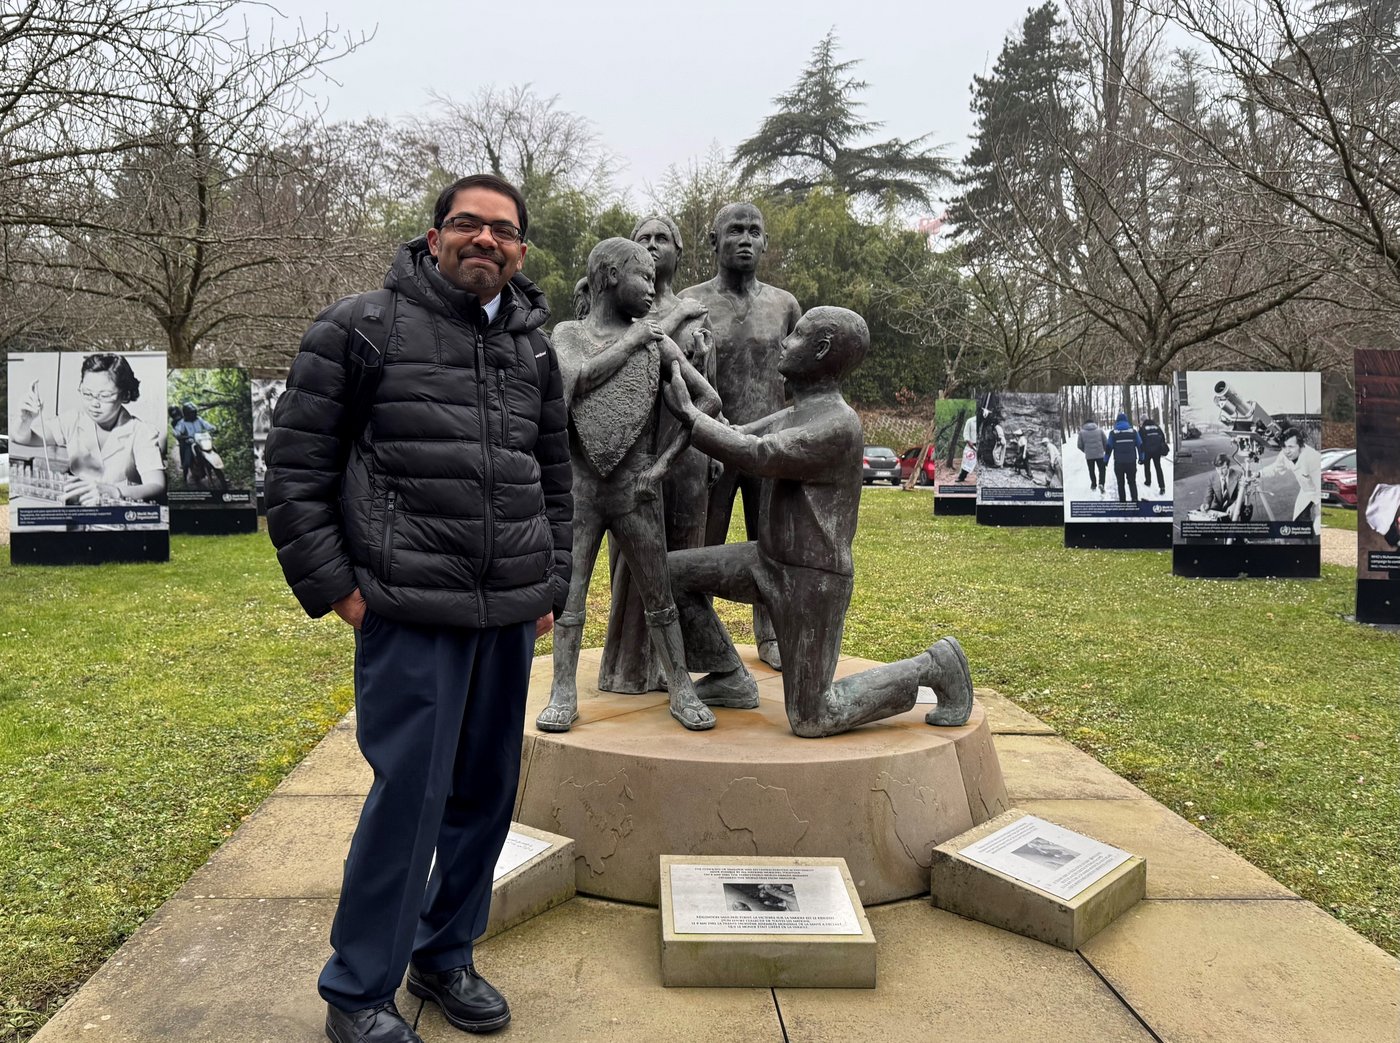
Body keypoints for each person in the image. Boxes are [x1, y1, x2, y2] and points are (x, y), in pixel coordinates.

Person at [265, 174, 572, 1043]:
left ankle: (445, 955)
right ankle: (359, 988)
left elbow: (556, 478)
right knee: (410, 798)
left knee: (486, 795)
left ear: (521, 250)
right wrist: (338, 588)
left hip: (507, 614)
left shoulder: (534, 351)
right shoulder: (360, 328)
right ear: (435, 236)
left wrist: (550, 582)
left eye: (503, 230)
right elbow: (293, 473)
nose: (486, 240)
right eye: (468, 223)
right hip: (408, 612)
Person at [661, 306, 973, 738]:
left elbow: (759, 454)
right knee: (670, 573)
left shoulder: (838, 425)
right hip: (766, 561)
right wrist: (688, 373)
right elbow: (737, 433)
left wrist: (690, 417)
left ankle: (934, 665)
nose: (784, 342)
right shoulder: (796, 412)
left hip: (813, 582)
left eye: (796, 335)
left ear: (821, 349)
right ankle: (729, 675)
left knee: (813, 716)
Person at [534, 237, 721, 734]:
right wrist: (634, 341)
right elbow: (575, 381)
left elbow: (707, 401)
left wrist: (661, 466)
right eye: (644, 277)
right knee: (571, 596)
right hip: (581, 490)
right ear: (612, 276)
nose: (653, 288)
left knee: (659, 594)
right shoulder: (570, 334)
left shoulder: (656, 341)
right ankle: (563, 691)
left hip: (636, 488)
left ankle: (680, 687)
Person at [597, 214, 717, 695]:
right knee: (633, 561)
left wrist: (716, 445)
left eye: (661, 238)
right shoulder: (623, 308)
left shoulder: (696, 312)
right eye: (642, 238)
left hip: (684, 446)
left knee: (682, 553)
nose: (651, 245)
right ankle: (630, 667)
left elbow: (711, 387)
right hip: (629, 452)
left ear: (678, 250)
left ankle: (682, 665)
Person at [680, 202, 801, 670]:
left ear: (766, 242)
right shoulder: (692, 304)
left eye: (754, 231)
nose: (745, 239)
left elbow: (801, 377)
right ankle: (700, 637)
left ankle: (770, 632)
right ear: (714, 241)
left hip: (769, 446)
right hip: (710, 445)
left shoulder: (784, 305)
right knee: (703, 547)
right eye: (735, 231)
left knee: (772, 543)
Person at [13, 353, 166, 507]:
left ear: (125, 394)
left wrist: (114, 491)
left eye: (104, 395)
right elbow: (22, 438)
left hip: (119, 513)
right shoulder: (73, 420)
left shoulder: (141, 432)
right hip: (78, 509)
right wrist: (24, 420)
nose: (94, 403)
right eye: (87, 393)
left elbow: (157, 486)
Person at [1258, 426, 1322, 531]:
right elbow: (1275, 468)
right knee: (1300, 522)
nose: (1287, 451)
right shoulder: (1285, 454)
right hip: (1306, 491)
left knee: (1319, 527)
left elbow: (1320, 486)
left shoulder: (1313, 458)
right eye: (1284, 447)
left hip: (1319, 491)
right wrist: (1259, 473)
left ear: (1300, 445)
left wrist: (1319, 508)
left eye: (1291, 447)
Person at [172, 401, 217, 485]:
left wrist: (213, 428)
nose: (193, 414)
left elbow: (207, 425)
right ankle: (184, 478)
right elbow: (177, 431)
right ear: (186, 414)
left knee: (214, 450)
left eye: (193, 412)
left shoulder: (199, 419)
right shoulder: (182, 422)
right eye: (190, 413)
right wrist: (179, 435)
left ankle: (214, 469)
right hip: (191, 444)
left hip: (202, 441)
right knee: (187, 462)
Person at [1106, 412, 1142, 503]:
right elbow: (1140, 445)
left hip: (1119, 463)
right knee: (1132, 482)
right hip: (1131, 462)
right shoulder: (1133, 432)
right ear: (1126, 421)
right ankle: (1134, 501)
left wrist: (1105, 460)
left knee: (1120, 483)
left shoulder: (1113, 433)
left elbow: (1108, 448)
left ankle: (1123, 503)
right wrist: (1142, 458)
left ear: (1117, 421)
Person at [1200, 453, 1247, 518]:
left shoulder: (1238, 474)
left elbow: (1242, 495)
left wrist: (1235, 506)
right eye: (1217, 468)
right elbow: (1208, 495)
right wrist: (1206, 504)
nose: (1220, 472)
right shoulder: (1212, 477)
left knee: (1248, 507)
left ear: (1228, 466)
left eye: (1223, 468)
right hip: (1219, 505)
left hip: (1234, 504)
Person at [1139, 411, 1169, 495]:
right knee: (1158, 468)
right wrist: (1160, 447)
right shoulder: (1156, 426)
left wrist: (1142, 451)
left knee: (1147, 466)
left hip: (1147, 451)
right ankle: (1162, 487)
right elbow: (1162, 437)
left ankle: (1148, 481)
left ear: (1143, 421)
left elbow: (1140, 441)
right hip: (1157, 451)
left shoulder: (1142, 428)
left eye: (1141, 421)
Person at [1076, 416, 1108, 494]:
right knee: (1102, 469)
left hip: (1089, 456)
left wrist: (1085, 451)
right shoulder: (1100, 431)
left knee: (1091, 470)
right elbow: (1106, 442)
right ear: (1094, 423)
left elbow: (1079, 445)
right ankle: (1101, 483)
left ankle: (1093, 484)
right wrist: (1104, 450)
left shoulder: (1081, 432)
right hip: (1100, 454)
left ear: (1085, 424)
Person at [955, 411, 977, 483]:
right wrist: (968, 441)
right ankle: (961, 477)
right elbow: (966, 432)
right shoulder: (970, 421)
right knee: (968, 462)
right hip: (972, 445)